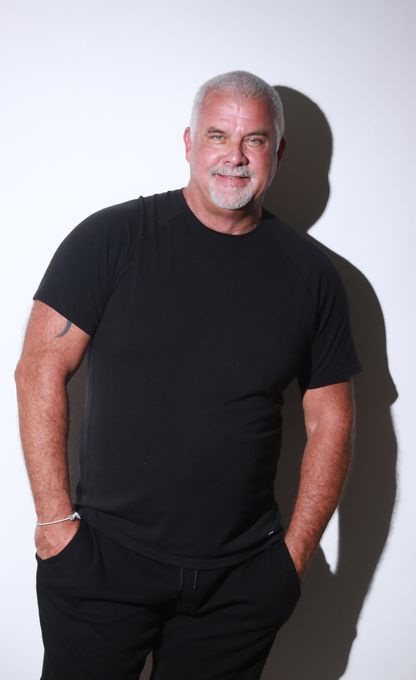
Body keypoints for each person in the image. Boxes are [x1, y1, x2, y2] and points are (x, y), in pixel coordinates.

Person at [15, 70, 361, 680]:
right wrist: (54, 525)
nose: (234, 156)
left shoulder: (312, 277)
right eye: (218, 135)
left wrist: (295, 556)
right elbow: (39, 368)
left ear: (277, 152)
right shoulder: (111, 239)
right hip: (103, 565)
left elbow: (330, 419)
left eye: (254, 140)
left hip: (239, 583)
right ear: (189, 142)